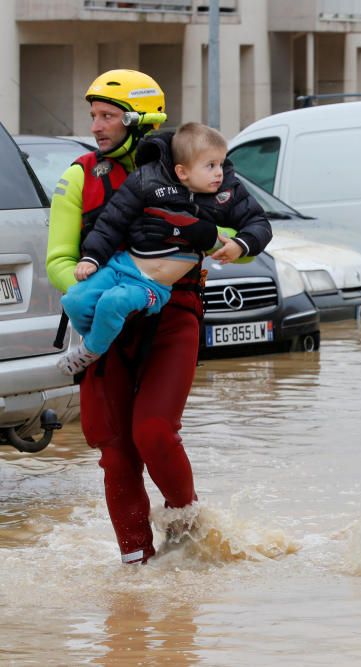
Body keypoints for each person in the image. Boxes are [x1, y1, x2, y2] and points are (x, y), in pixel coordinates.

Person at [45, 70, 270, 564]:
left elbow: (244, 231)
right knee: (115, 450)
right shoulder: (80, 176)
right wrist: (101, 290)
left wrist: (232, 245)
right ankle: (137, 567)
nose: (97, 126)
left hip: (174, 317)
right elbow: (58, 261)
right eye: (93, 116)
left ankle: (188, 538)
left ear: (139, 120)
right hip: (107, 326)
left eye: (108, 116)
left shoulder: (194, 166)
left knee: (153, 432)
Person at [58, 122, 269, 376]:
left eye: (221, 164)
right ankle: (101, 338)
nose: (220, 173)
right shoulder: (147, 180)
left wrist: (240, 245)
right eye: (210, 166)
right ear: (182, 171)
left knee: (112, 303)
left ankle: (92, 350)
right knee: (74, 301)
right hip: (120, 266)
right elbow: (112, 221)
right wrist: (92, 257)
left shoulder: (227, 193)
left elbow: (259, 224)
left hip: (152, 287)